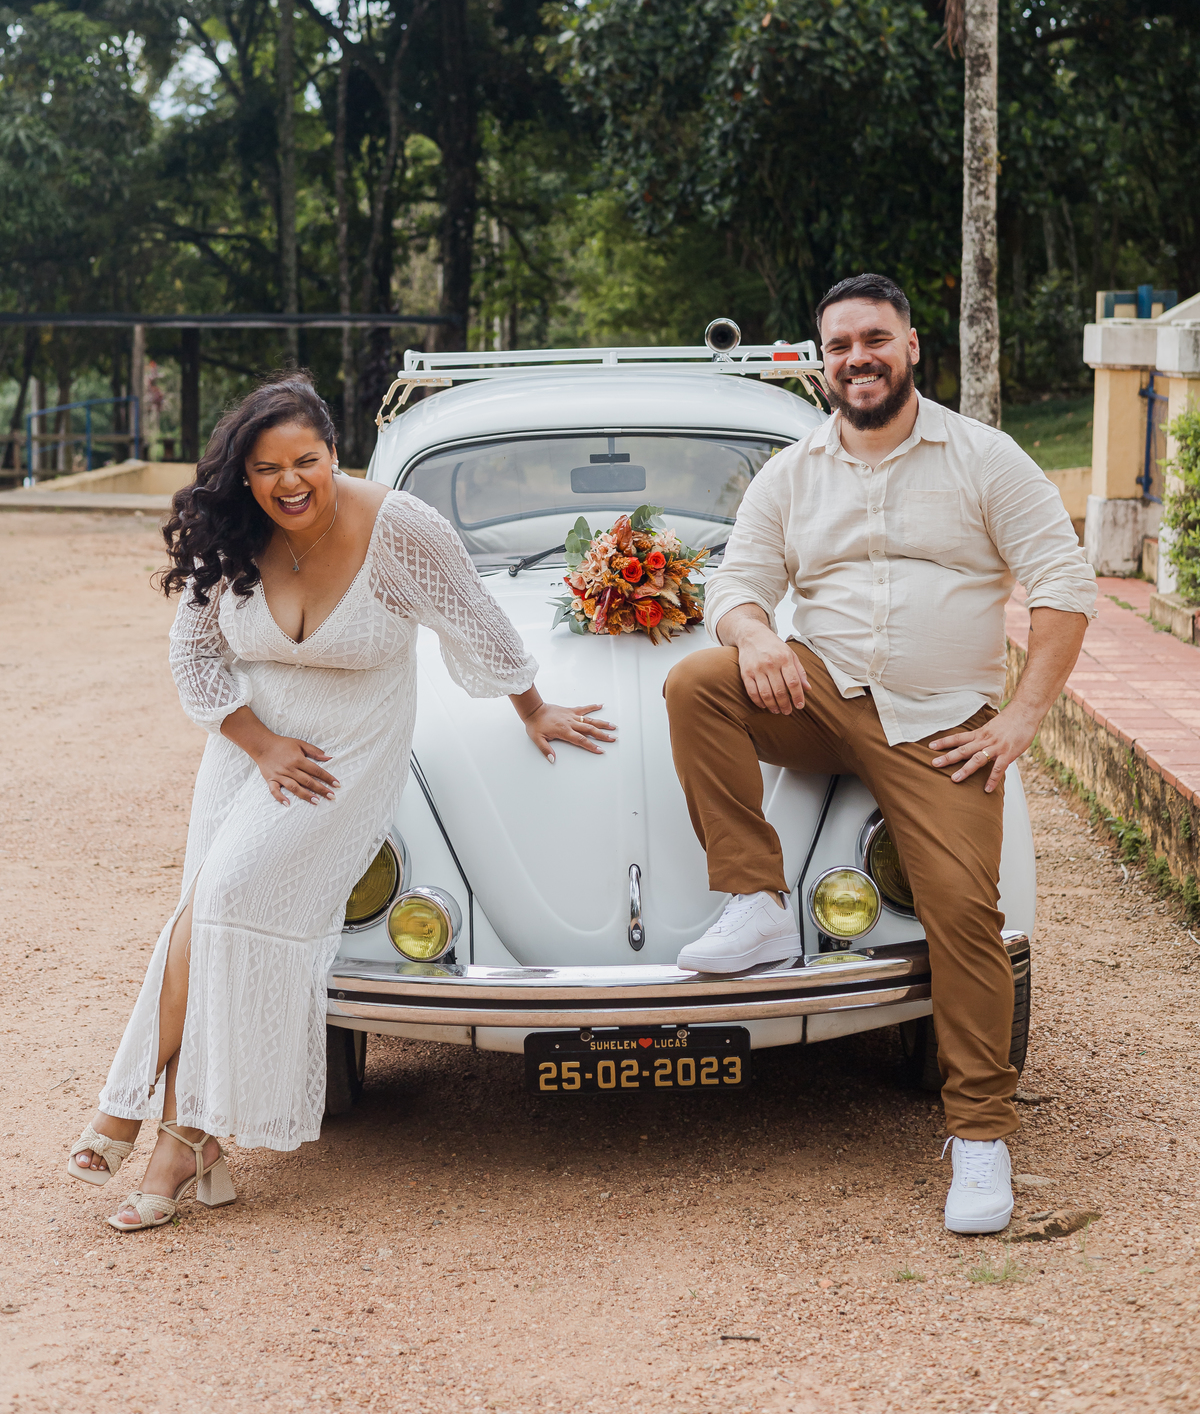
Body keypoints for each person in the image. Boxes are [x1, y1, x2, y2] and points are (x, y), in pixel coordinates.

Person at [67, 373, 613, 1231]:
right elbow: (194, 657)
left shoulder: (401, 528)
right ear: (243, 474)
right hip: (248, 746)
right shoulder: (233, 528)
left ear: (335, 453)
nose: (289, 483)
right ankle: (185, 1137)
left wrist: (534, 709)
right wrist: (259, 744)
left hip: (343, 755)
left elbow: (477, 621)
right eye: (266, 468)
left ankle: (131, 1112)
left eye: (306, 462)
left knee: (224, 901)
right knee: (202, 916)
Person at [664, 274, 1095, 1235]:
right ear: (823, 362)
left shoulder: (984, 457)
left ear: (910, 346)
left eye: (874, 339)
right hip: (820, 695)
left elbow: (1064, 585)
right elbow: (735, 584)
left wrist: (1021, 720)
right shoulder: (792, 471)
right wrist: (757, 638)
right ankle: (757, 902)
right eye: (840, 346)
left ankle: (978, 1136)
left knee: (965, 916)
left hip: (940, 724)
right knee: (697, 683)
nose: (857, 359)